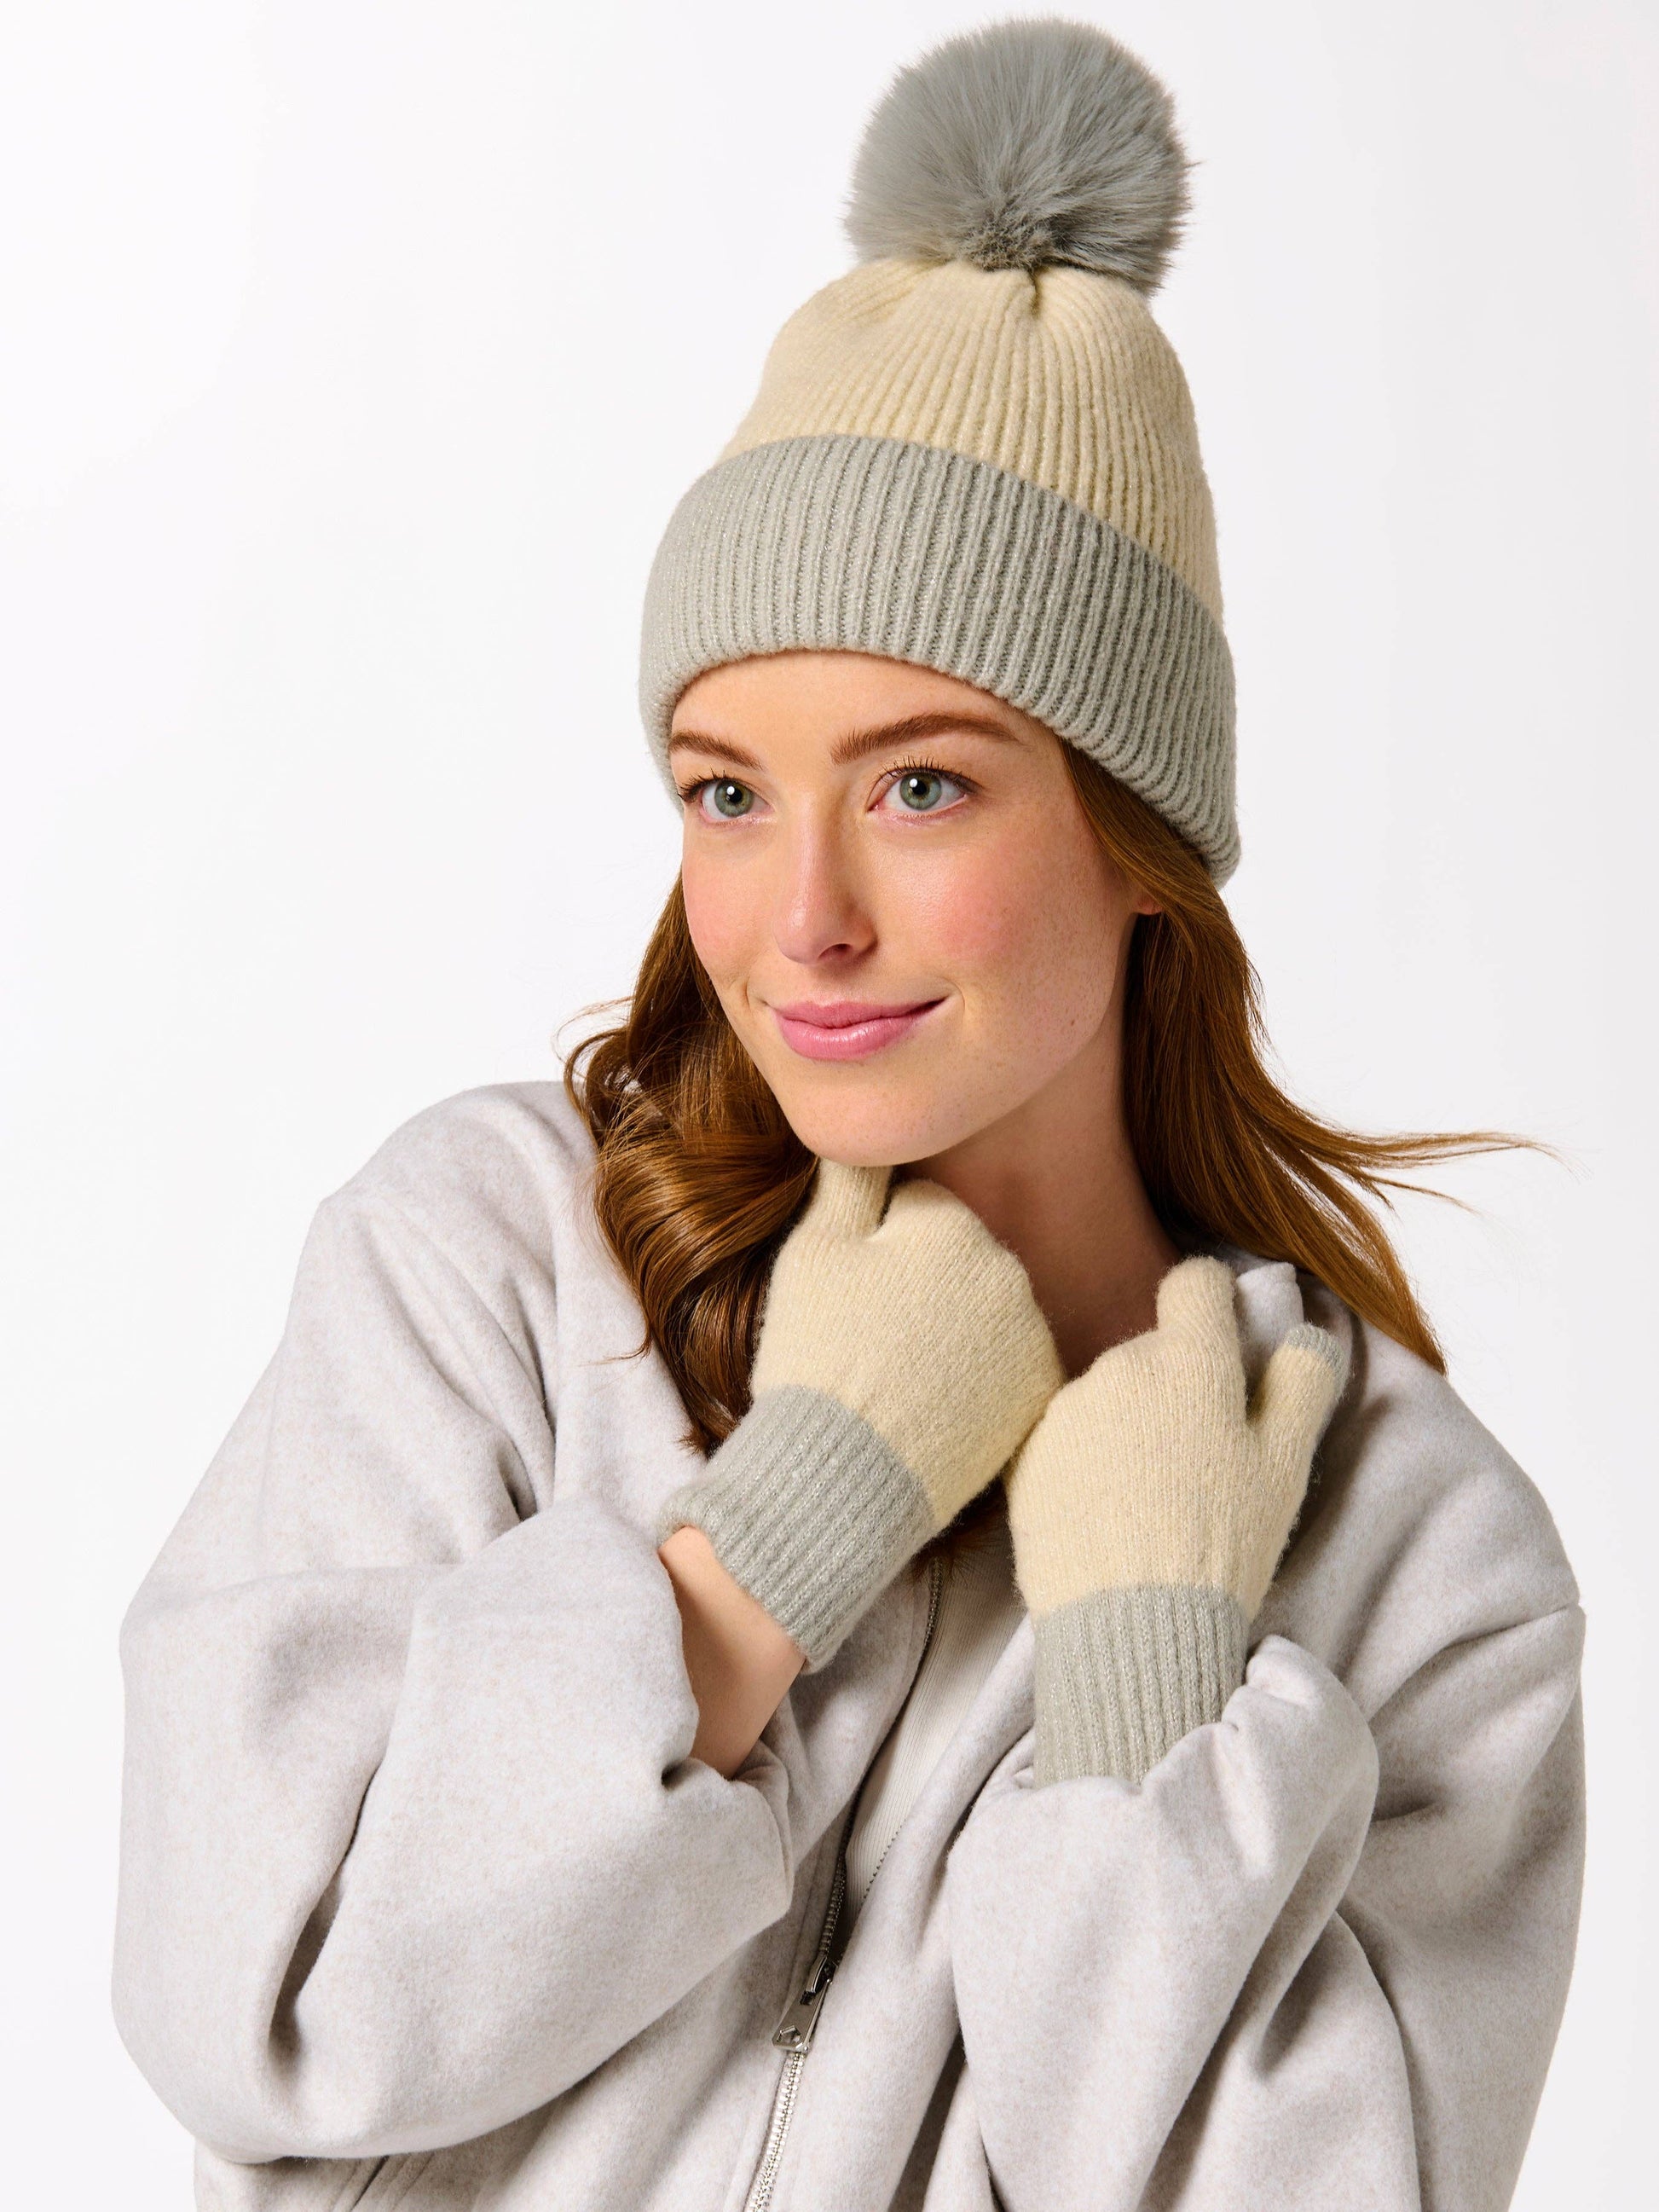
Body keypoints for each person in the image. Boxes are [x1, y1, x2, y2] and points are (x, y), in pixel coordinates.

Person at [113, 20, 1583, 2211]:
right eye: (726, 792)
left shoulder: (1412, 1549)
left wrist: (1146, 1688)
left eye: (919, 785)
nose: (799, 914)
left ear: (1137, 837)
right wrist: (775, 1541)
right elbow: (269, 2009)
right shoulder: (495, 1271)